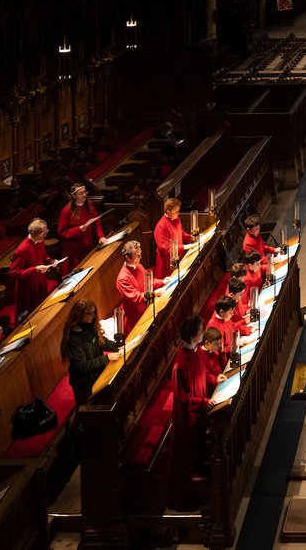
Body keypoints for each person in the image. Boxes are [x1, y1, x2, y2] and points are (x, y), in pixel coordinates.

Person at [169, 316, 216, 511]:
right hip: (187, 418)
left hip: (199, 413)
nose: (203, 332)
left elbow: (201, 373)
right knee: (186, 459)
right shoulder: (180, 364)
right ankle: (185, 499)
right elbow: (184, 398)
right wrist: (205, 402)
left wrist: (214, 379)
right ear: (192, 336)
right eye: (200, 330)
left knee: (199, 451)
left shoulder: (195, 351)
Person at [61, 299, 122, 406]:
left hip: (97, 375)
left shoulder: (90, 327)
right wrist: (106, 358)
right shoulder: (74, 338)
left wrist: (117, 346)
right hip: (85, 384)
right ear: (80, 314)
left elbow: (102, 342)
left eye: (94, 313)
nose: (93, 316)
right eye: (90, 313)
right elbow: (82, 366)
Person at [10, 218, 57, 322]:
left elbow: (44, 256)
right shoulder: (22, 250)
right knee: (30, 318)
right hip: (27, 289)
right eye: (43, 233)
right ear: (33, 233)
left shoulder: (40, 241)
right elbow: (13, 273)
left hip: (39, 282)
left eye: (46, 232)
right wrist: (35, 269)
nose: (45, 235)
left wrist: (50, 261)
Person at [115, 240, 164, 335]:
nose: (140, 257)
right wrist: (154, 294)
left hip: (148, 307)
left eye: (140, 254)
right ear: (127, 257)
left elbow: (149, 282)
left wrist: (162, 281)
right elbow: (135, 297)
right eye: (137, 255)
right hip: (136, 317)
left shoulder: (138, 265)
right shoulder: (122, 278)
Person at [58, 182, 105, 271]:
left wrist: (101, 236)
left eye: (85, 192)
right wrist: (78, 229)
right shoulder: (66, 211)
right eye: (81, 193)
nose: (84, 195)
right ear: (74, 196)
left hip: (88, 245)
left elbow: (97, 222)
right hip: (75, 250)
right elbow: (62, 232)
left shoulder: (89, 204)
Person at [154, 198, 195, 279]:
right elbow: (164, 248)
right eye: (176, 211)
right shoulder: (160, 226)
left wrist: (192, 238)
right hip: (167, 263)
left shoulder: (176, 219)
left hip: (178, 257)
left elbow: (181, 232)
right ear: (168, 212)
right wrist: (184, 247)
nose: (178, 213)